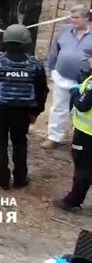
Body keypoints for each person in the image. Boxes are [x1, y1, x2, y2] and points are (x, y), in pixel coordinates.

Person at [0, 24, 48, 190]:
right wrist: (36, 112)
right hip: (22, 113)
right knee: (20, 144)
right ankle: (20, 178)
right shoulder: (35, 65)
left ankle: (2, 179)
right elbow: (42, 91)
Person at [45, 6, 92, 149]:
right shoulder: (65, 31)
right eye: (71, 17)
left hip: (85, 80)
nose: (73, 21)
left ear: (86, 18)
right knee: (59, 107)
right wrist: (49, 68)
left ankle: (78, 138)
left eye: (76, 17)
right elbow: (55, 50)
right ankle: (54, 137)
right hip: (62, 75)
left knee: (82, 109)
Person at [56, 71, 92, 212]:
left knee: (83, 167)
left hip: (86, 133)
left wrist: (76, 91)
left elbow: (82, 105)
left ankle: (73, 201)